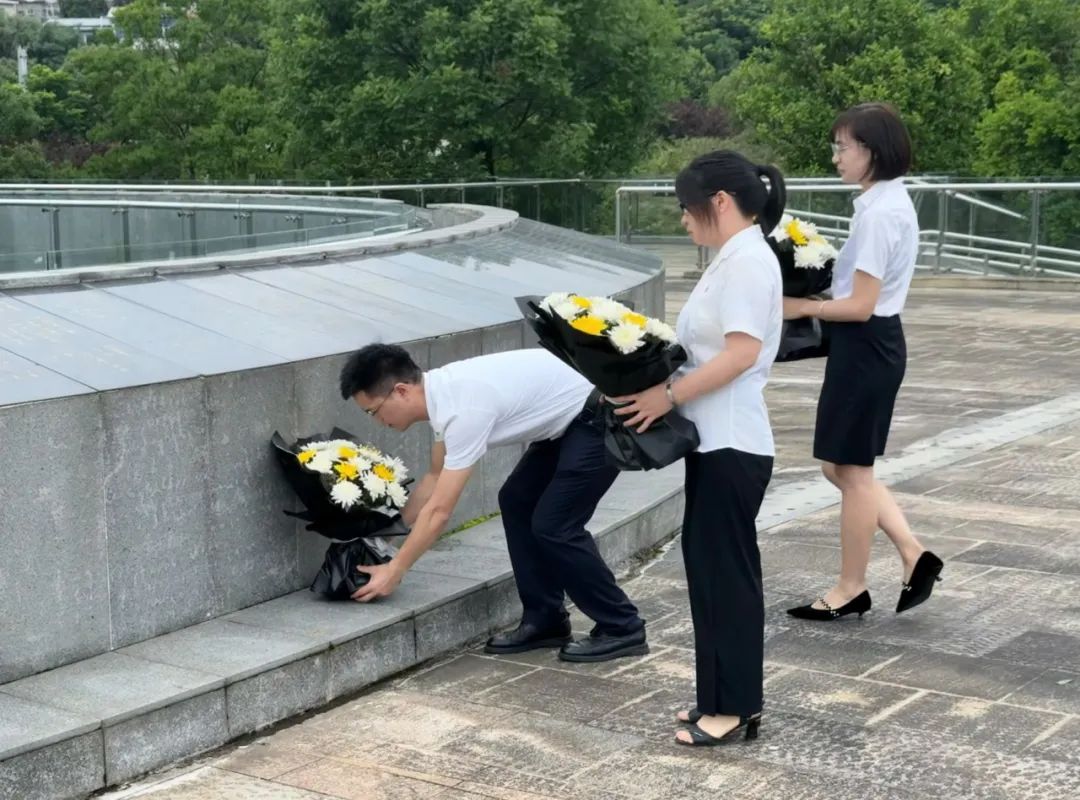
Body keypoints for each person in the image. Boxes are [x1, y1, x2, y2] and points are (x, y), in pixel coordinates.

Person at [612, 150, 784, 746]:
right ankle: (719, 697)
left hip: (733, 442)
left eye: (687, 208)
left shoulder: (748, 263)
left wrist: (666, 396)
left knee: (725, 578)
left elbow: (740, 355)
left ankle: (734, 708)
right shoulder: (731, 259)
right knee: (709, 573)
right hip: (715, 443)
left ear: (720, 202)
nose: (683, 219)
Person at [339, 344, 648, 662]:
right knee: (517, 500)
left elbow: (439, 511)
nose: (377, 421)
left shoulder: (463, 409)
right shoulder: (441, 395)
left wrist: (395, 569)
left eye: (373, 411)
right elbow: (434, 477)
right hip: (570, 420)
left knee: (556, 525)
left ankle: (622, 627)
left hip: (601, 416)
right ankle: (545, 620)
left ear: (401, 391)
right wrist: (385, 535)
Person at [783, 102, 943, 622]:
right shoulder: (886, 203)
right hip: (868, 347)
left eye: (843, 147)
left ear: (872, 151)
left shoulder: (879, 214)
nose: (836, 157)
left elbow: (861, 305)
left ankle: (851, 587)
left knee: (852, 472)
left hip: (867, 344)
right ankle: (914, 553)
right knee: (840, 466)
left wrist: (800, 306)